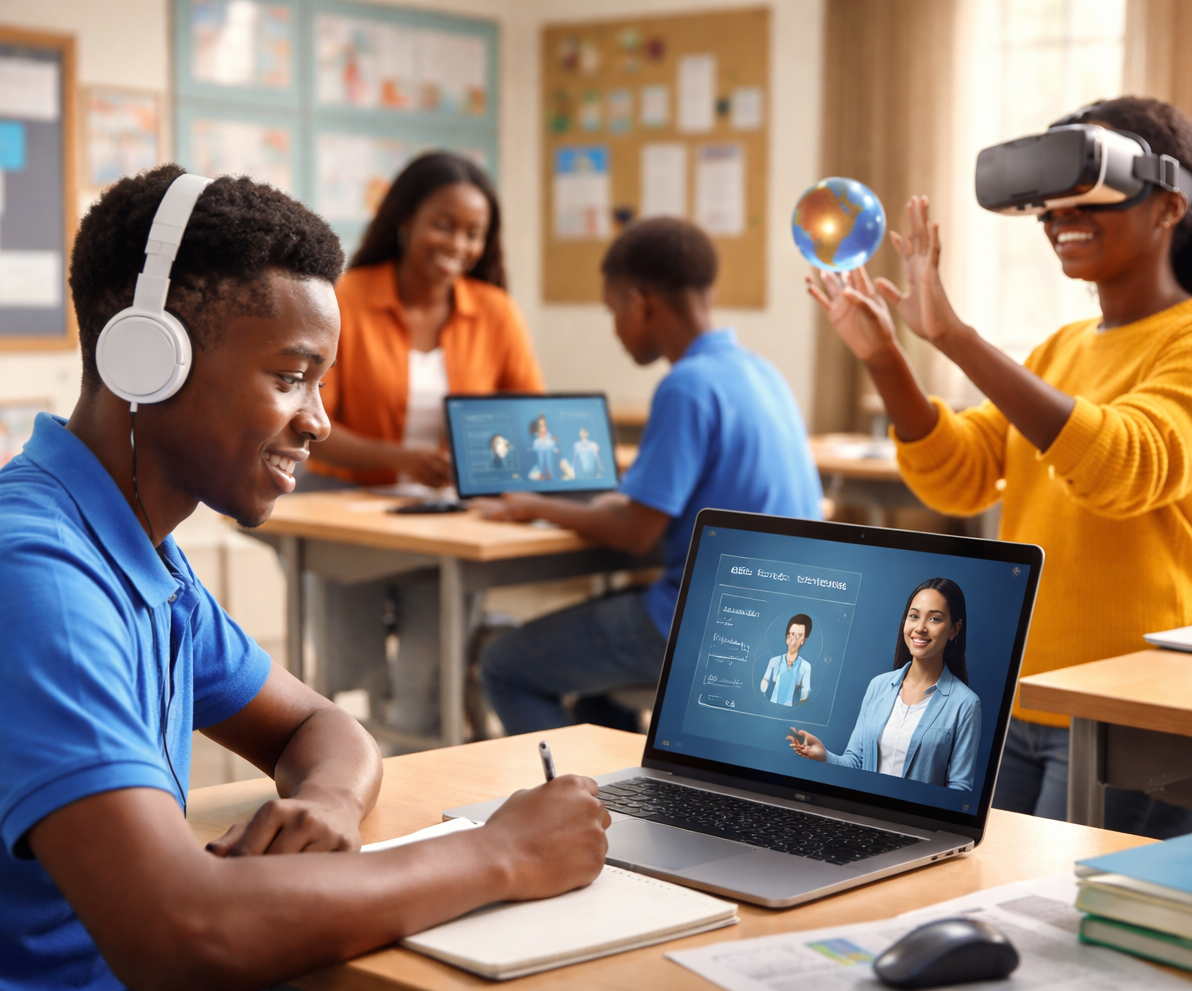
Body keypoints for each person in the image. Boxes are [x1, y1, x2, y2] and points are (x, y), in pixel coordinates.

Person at [0, 166, 609, 991]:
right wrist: (501, 857)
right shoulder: (26, 579)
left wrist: (328, 803)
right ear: (146, 360)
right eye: (290, 376)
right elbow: (179, 935)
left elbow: (320, 726)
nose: (318, 420)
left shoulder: (138, 555)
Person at [808, 97, 1192, 833]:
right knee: (965, 878)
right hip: (1023, 692)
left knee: (1048, 900)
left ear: (1169, 206)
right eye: (1052, 203)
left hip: (1133, 702)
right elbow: (959, 475)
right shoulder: (1060, 348)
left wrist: (956, 338)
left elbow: (1124, 466)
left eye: (1091, 194)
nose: (1063, 216)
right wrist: (886, 361)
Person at [476, 218, 824, 733]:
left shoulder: (686, 385)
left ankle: (564, 786)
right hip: (779, 616)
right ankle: (613, 778)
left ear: (640, 303)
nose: (614, 328)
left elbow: (635, 534)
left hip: (702, 622)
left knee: (504, 665)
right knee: (595, 689)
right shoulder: (761, 371)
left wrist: (532, 505)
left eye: (612, 310)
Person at [303, 152, 545, 733]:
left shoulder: (495, 312)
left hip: (448, 519)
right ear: (405, 218)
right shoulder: (345, 299)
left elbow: (528, 420)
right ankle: (347, 760)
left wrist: (485, 461)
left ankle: (414, 762)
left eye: (474, 233)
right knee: (349, 670)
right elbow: (309, 419)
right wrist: (403, 461)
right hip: (342, 509)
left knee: (429, 679)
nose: (458, 244)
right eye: (444, 224)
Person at [789, 580, 981, 789]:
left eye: (934, 618)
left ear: (954, 629)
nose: (920, 628)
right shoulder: (878, 686)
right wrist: (825, 756)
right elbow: (856, 762)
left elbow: (959, 788)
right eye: (914, 616)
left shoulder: (966, 705)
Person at [761, 614, 813, 706]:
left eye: (799, 635)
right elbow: (765, 681)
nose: (794, 639)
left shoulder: (805, 667)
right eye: (792, 634)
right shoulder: (774, 661)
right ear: (787, 637)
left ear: (803, 640)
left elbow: (805, 694)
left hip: (789, 708)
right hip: (771, 705)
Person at [529, 413, 558, 480]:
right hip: (540, 473)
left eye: (544, 425)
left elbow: (554, 450)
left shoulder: (550, 439)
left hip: (550, 474)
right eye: (540, 425)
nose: (543, 427)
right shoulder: (536, 440)